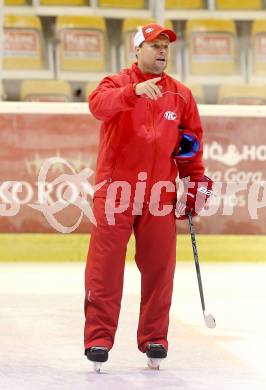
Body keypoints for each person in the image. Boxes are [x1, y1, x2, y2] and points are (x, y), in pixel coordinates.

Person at [84, 22, 213, 371]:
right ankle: (98, 338)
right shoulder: (116, 84)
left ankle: (155, 337)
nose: (161, 52)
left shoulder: (182, 95)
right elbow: (98, 106)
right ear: (136, 50)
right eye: (154, 45)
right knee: (105, 267)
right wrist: (134, 92)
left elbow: (189, 146)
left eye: (166, 47)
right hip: (116, 190)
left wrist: (195, 181)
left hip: (160, 193)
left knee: (159, 268)